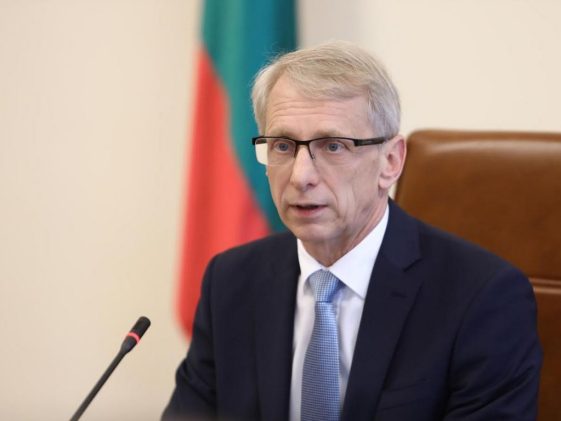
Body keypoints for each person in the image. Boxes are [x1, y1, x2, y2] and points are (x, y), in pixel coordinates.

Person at [163, 41, 542, 421]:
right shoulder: (231, 280)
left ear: (390, 161)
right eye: (282, 146)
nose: (300, 176)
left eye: (333, 146)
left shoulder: (481, 297)